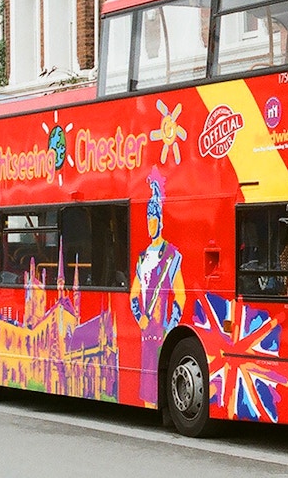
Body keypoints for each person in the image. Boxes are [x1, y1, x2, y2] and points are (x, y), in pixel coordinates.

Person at [129, 169, 185, 407]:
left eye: (152, 219)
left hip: (162, 328)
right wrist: (140, 318)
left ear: (160, 221)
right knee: (147, 387)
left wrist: (170, 325)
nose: (149, 224)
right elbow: (134, 293)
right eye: (147, 219)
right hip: (146, 330)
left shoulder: (171, 255)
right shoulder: (142, 258)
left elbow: (181, 294)